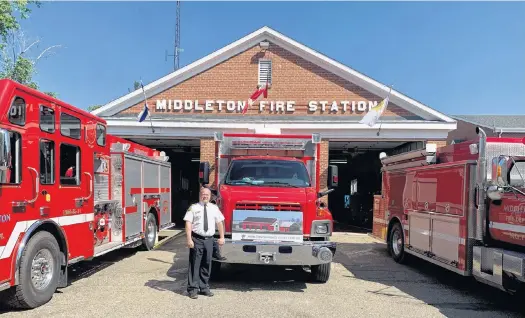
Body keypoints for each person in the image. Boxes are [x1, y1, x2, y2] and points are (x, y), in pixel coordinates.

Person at [184, 187, 225, 299]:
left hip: (209, 240)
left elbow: (220, 222)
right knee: (195, 265)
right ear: (200, 195)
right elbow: (188, 224)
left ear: (210, 196)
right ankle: (193, 289)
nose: (205, 196)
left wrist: (222, 237)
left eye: (207, 194)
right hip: (197, 239)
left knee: (207, 264)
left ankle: (204, 287)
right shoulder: (193, 208)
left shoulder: (214, 208)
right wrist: (189, 239)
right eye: (203, 194)